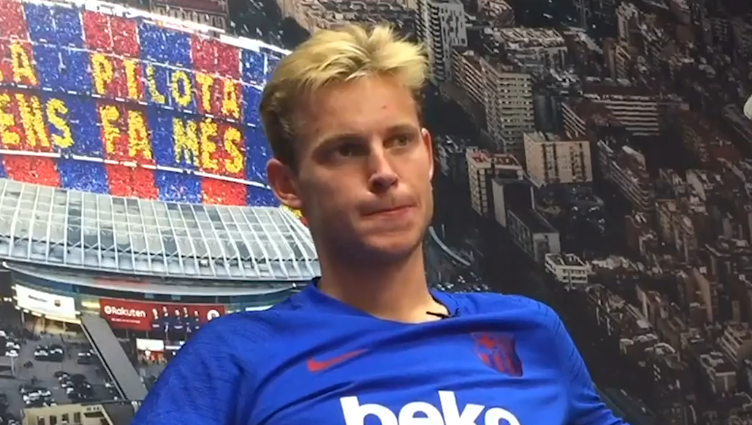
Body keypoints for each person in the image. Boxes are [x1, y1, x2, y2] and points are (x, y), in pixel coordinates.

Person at [130, 24, 627, 425]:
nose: (384, 172)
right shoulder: (234, 359)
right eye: (346, 150)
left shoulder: (529, 331)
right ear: (289, 184)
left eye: (399, 141)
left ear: (428, 155)